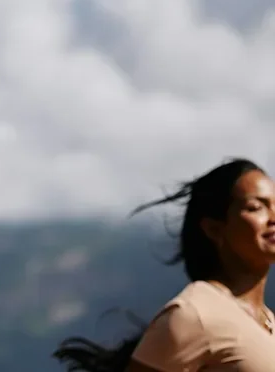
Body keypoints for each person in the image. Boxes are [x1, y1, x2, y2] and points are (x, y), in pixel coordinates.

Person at [53, 158, 275, 371]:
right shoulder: (194, 314)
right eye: (256, 207)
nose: (273, 217)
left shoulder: (268, 321)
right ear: (214, 229)